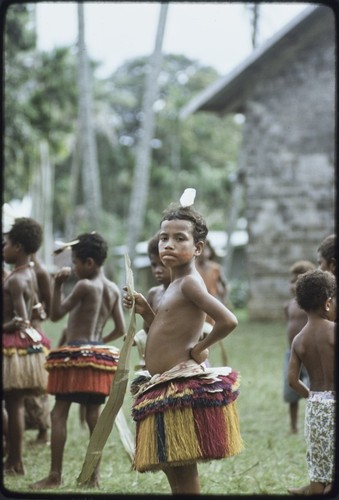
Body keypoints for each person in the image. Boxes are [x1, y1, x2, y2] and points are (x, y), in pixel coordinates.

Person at [123, 202, 243, 494]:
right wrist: (145, 312)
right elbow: (167, 330)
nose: (169, 244)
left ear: (198, 248)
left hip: (179, 382)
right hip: (162, 382)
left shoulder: (190, 283)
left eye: (180, 238)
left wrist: (199, 347)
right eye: (164, 237)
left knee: (184, 468)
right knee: (171, 466)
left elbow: (228, 320)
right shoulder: (170, 286)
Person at [30, 232, 126, 489]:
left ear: (89, 263)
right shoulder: (113, 289)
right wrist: (97, 343)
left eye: (75, 263)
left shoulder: (84, 285)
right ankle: (93, 476)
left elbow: (56, 314)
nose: (72, 267)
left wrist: (57, 284)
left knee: (58, 412)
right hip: (98, 356)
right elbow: (120, 329)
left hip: (75, 354)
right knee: (94, 415)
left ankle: (54, 476)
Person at [2, 217, 51, 475]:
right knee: (15, 405)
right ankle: (14, 459)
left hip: (13, 347)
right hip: (25, 346)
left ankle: (15, 461)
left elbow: (19, 320)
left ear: (18, 247)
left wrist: (6, 326)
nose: (3, 248)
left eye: (6, 244)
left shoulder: (14, 279)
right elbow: (34, 310)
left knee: (13, 405)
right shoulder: (30, 272)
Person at [287, 269, 336, 495]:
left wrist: (312, 396)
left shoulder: (299, 340)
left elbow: (292, 380)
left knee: (318, 467)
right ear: (328, 303)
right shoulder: (333, 331)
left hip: (315, 407)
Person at [283, 260, 315, 434]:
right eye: (291, 280)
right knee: (291, 391)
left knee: (313, 388)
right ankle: (293, 426)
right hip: (292, 354)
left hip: (310, 354)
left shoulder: (310, 307)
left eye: (297, 281)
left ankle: (312, 420)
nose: (293, 285)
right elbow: (289, 326)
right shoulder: (288, 306)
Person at [24, 253, 53, 444]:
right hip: (17, 332)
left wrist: (36, 315)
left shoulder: (40, 271)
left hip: (33, 332)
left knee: (37, 385)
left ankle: (43, 429)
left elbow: (50, 308)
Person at [133, 232, 171, 369]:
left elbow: (172, 334)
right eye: (154, 265)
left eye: (163, 264)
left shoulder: (183, 292)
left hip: (178, 362)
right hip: (157, 361)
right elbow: (147, 332)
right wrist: (136, 339)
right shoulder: (153, 293)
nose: (158, 270)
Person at [196, 238, 228, 364]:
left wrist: (223, 302)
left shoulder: (215, 268)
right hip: (197, 307)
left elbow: (223, 287)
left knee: (208, 336)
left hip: (211, 308)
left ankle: (204, 360)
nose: (204, 253)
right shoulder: (192, 268)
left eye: (206, 250)